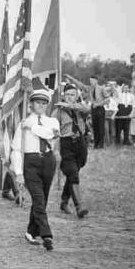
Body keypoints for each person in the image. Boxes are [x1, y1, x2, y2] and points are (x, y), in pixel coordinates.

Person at [11, 88, 60, 251]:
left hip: (48, 160)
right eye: (38, 102)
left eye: (44, 103)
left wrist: (32, 127)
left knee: (43, 198)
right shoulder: (22, 124)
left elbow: (51, 135)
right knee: (38, 198)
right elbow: (16, 149)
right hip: (30, 162)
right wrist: (18, 172)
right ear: (31, 104)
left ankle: (31, 231)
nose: (41, 106)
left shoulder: (52, 121)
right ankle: (46, 234)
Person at [53, 83, 90, 218]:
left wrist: (72, 106)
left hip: (80, 144)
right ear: (63, 95)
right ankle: (79, 206)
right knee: (72, 173)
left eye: (72, 95)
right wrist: (56, 151)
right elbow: (54, 133)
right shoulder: (58, 111)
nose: (69, 97)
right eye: (67, 95)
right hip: (66, 144)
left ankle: (64, 202)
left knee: (73, 174)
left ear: (76, 96)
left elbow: (87, 110)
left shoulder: (80, 108)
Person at [88, 75, 106, 148]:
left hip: (100, 109)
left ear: (96, 81)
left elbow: (107, 99)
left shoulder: (101, 88)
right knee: (95, 127)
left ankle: (101, 144)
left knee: (101, 127)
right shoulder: (90, 89)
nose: (91, 82)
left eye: (92, 81)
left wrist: (98, 104)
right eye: (90, 81)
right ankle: (96, 144)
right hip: (93, 109)